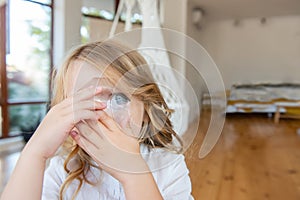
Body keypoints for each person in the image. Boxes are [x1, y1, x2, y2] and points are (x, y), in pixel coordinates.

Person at [0, 40, 193, 200]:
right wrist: (35, 152)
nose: (101, 114)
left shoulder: (169, 167)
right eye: (83, 102)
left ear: (145, 111)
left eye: (118, 98)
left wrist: (134, 174)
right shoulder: (62, 171)